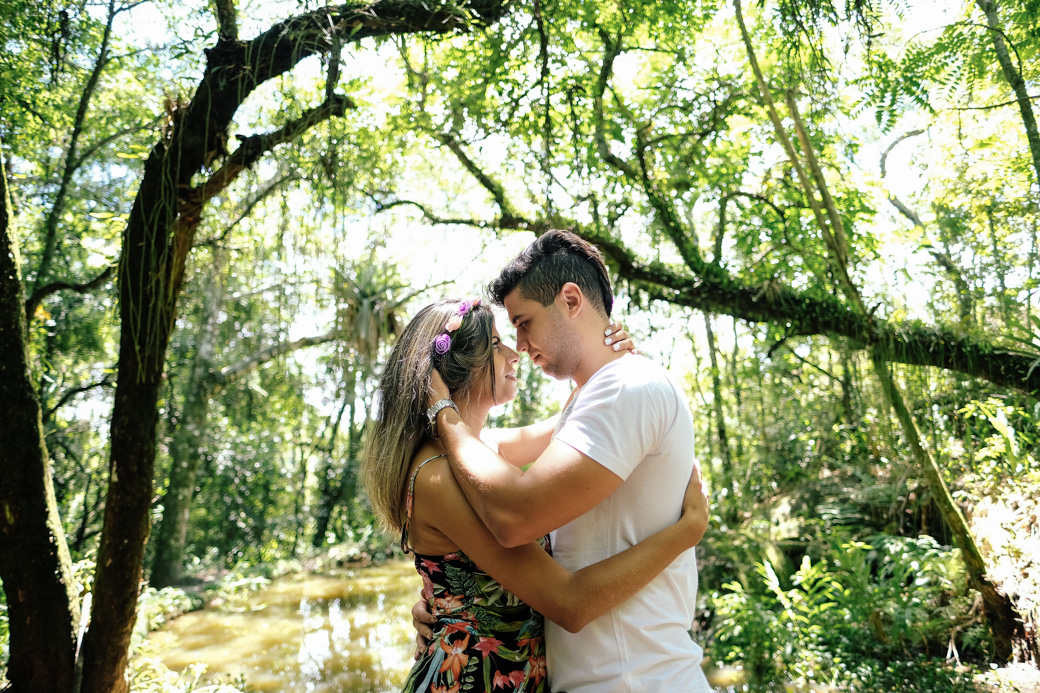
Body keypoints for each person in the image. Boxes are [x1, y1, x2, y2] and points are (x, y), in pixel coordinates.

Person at [362, 297, 708, 693]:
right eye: (495, 345)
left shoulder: (479, 451)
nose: (515, 353)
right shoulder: (436, 475)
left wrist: (606, 358)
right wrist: (686, 532)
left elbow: (582, 421)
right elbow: (569, 602)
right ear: (455, 367)